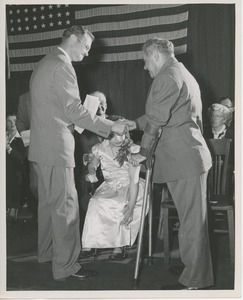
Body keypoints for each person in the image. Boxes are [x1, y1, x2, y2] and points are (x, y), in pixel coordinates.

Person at [28, 25, 126, 281]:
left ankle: (46, 254)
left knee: (48, 207)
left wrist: (72, 121)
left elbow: (50, 108)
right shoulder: (63, 66)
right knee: (67, 208)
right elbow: (73, 110)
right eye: (85, 47)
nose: (86, 53)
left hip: (40, 147)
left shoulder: (44, 63)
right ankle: (66, 267)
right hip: (57, 149)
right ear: (73, 39)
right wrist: (109, 126)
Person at [123, 38, 214, 290]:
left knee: (192, 223)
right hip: (187, 157)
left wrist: (143, 151)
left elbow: (158, 119)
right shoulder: (179, 72)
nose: (144, 67)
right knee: (191, 220)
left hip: (183, 159)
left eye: (144, 60)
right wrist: (136, 123)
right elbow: (167, 112)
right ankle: (193, 268)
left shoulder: (166, 77)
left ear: (155, 56)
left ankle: (195, 281)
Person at [81, 132, 145, 260]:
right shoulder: (101, 148)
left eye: (121, 135)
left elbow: (134, 181)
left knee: (119, 203)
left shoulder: (130, 149)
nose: (117, 139)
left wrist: (131, 207)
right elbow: (93, 163)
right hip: (109, 185)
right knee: (95, 202)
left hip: (129, 185)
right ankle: (91, 242)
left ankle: (119, 245)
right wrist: (91, 170)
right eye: (112, 136)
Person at [16, 91, 38, 220]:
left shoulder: (57, 92)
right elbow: (21, 123)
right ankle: (43, 209)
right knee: (35, 185)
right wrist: (29, 142)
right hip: (34, 147)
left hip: (57, 148)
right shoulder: (24, 98)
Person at [6, 113, 27, 222]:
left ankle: (13, 208)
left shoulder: (22, 138)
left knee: (14, 177)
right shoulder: (3, 135)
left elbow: (21, 157)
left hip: (17, 170)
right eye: (9, 121)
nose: (12, 123)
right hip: (5, 169)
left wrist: (8, 148)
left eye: (14, 120)